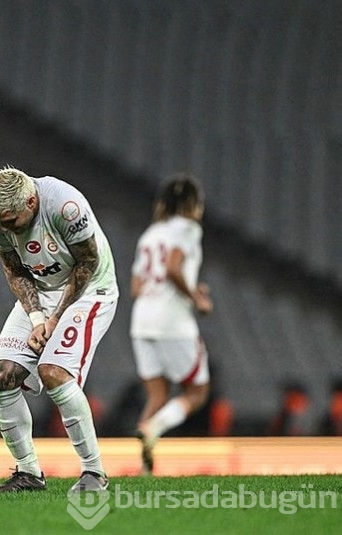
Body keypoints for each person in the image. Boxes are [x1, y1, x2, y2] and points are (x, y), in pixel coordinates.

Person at [0, 166, 119, 493]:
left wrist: (55, 319)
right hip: (43, 290)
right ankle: (28, 473)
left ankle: (94, 472)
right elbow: (14, 269)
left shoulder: (65, 206)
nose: (4, 228)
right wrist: (37, 318)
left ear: (30, 202)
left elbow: (88, 263)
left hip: (89, 290)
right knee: (2, 375)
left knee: (53, 371)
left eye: (11, 221)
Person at [129, 173, 213, 475]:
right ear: (193, 204)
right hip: (172, 322)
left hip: (141, 321)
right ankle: (154, 427)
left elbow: (137, 286)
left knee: (157, 395)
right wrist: (196, 298)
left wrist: (189, 288)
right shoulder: (188, 228)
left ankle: (144, 468)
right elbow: (173, 267)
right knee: (197, 392)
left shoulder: (151, 234)